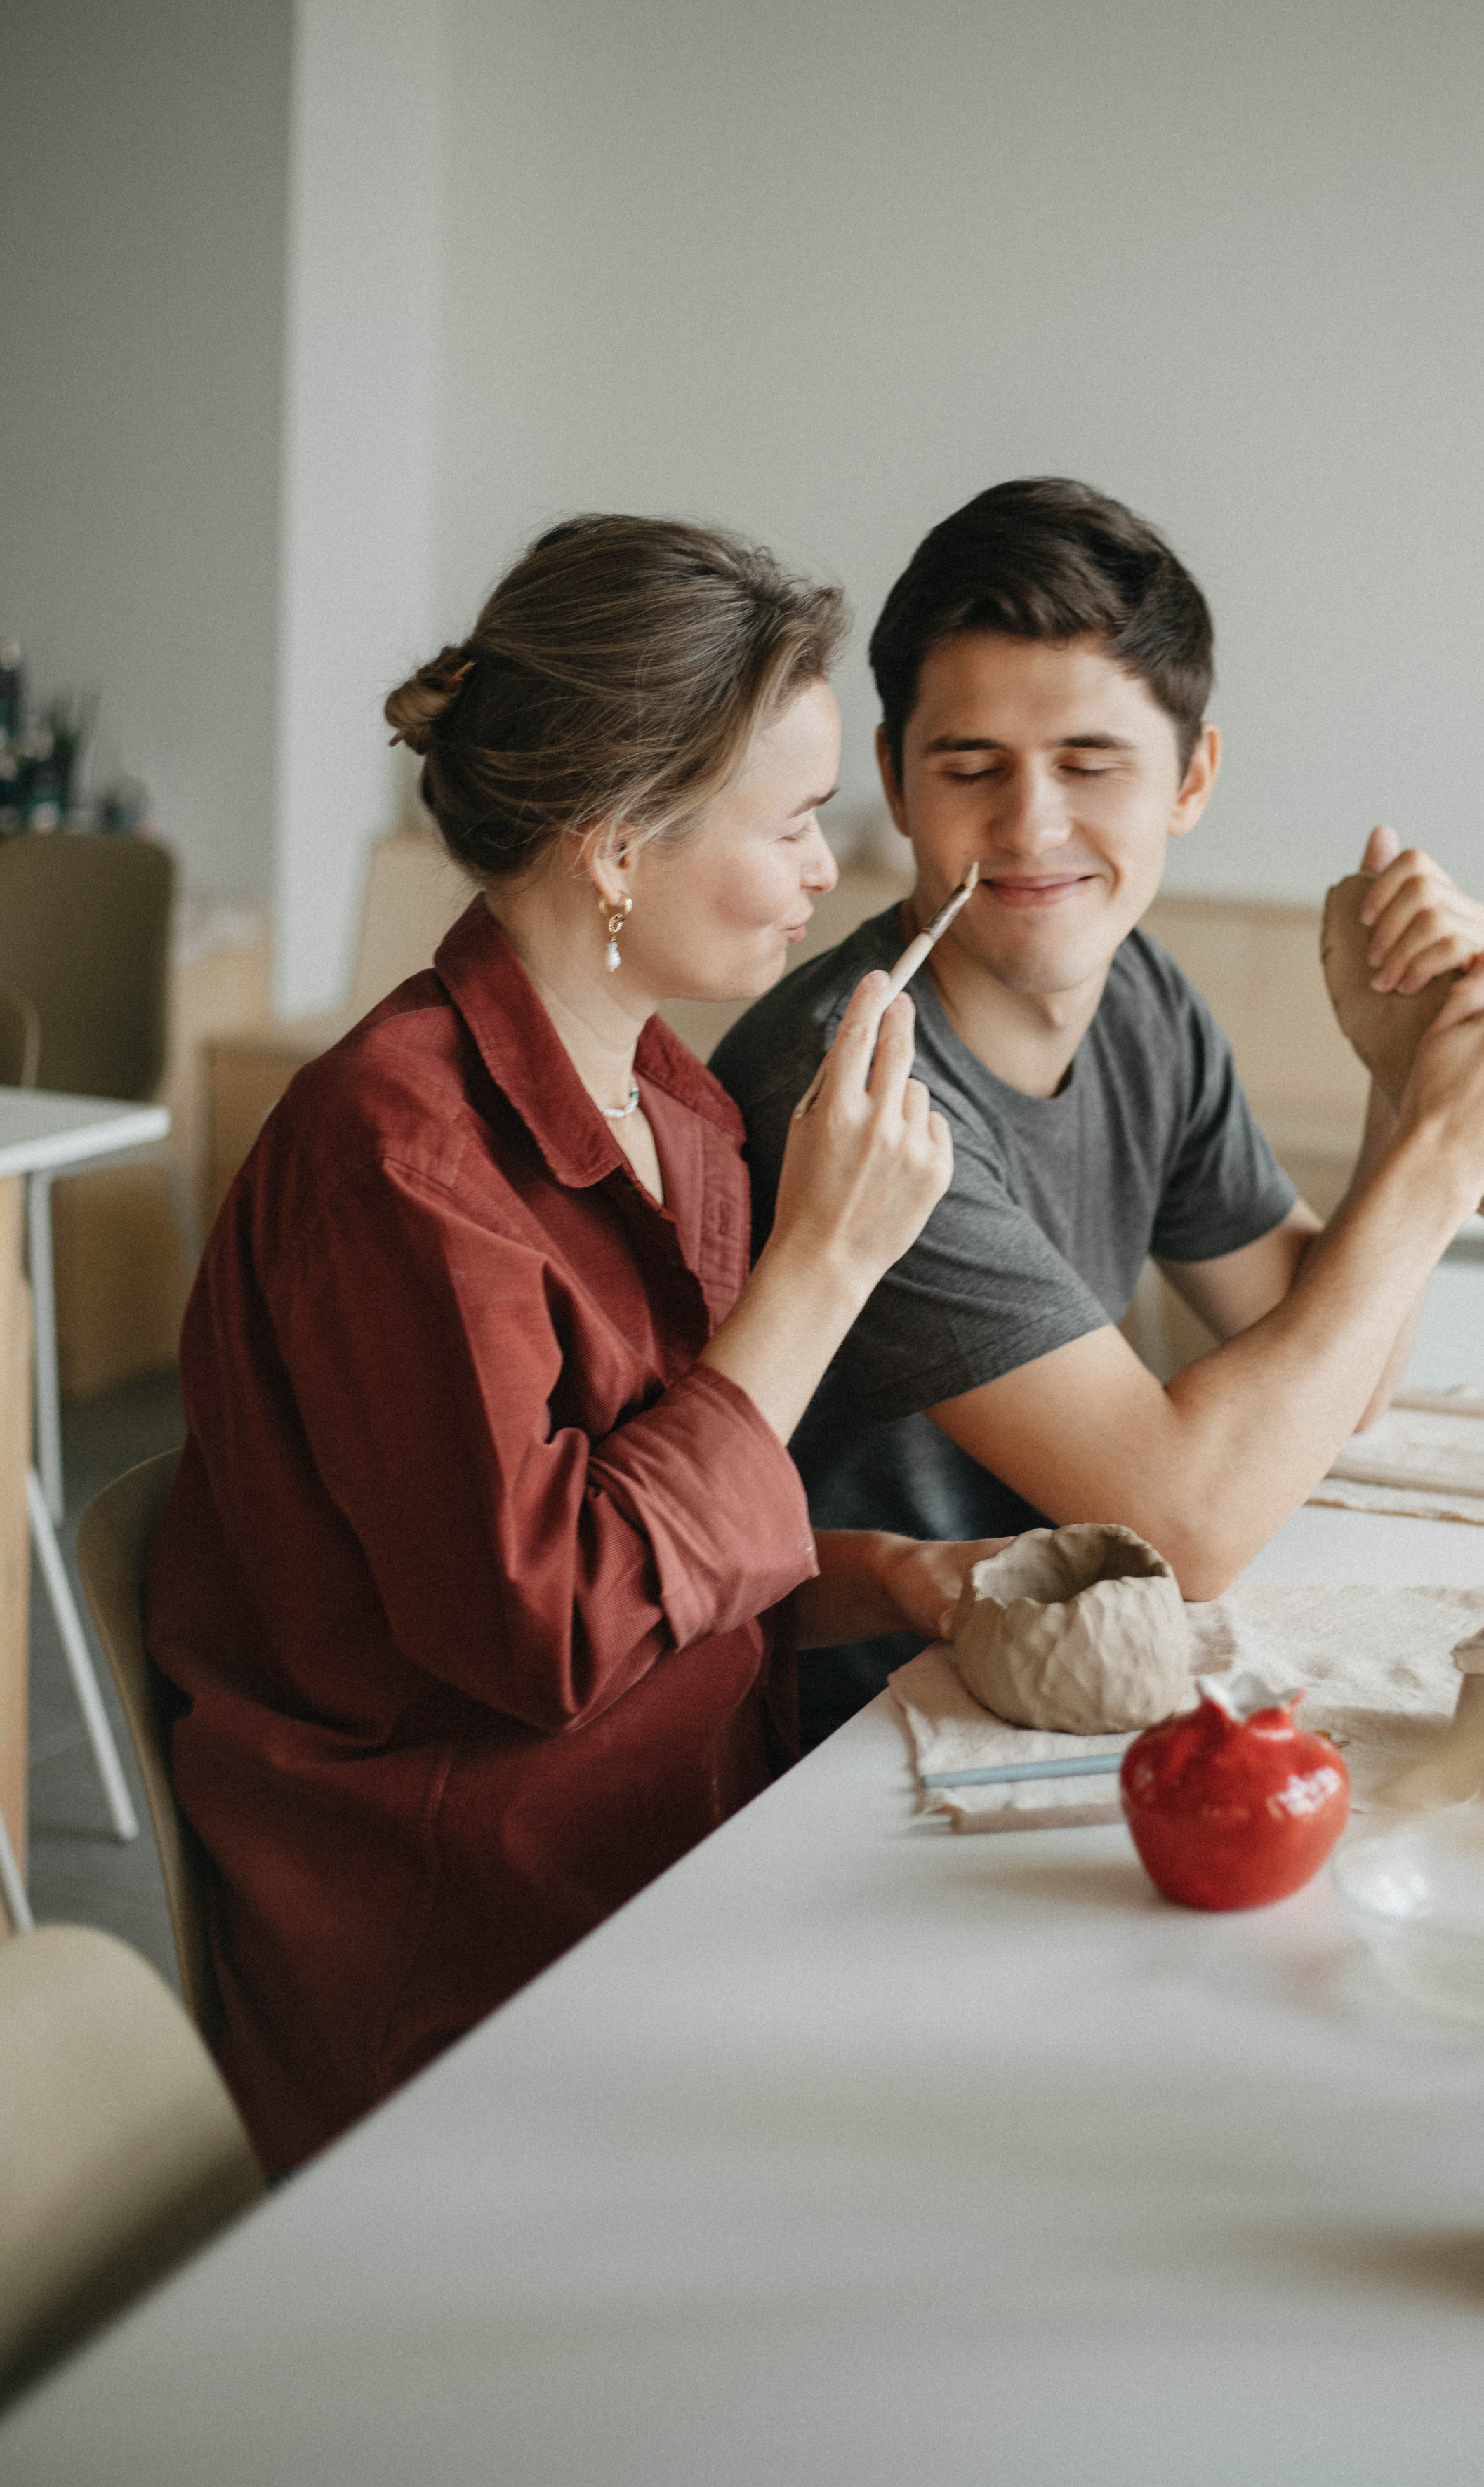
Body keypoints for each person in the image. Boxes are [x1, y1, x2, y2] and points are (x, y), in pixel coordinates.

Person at [147, 515, 1002, 2175]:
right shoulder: (392, 1160)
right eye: (792, 822)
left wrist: (896, 1578)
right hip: (472, 1956)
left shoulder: (677, 1109)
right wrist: (821, 1266)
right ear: (615, 847)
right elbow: (550, 1628)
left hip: (685, 1854)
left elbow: (673, 1540)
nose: (827, 872)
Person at [710, 479, 1484, 1745]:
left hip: (1035, 1701)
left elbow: (1337, 1381)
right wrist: (1442, 1159)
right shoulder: (856, 1082)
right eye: (971, 767)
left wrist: (1407, 1068)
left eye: (1090, 763)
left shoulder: (1141, 1000)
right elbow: (1193, 1526)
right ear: (895, 783)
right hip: (845, 1743)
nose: (1030, 826)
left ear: (1192, 777)